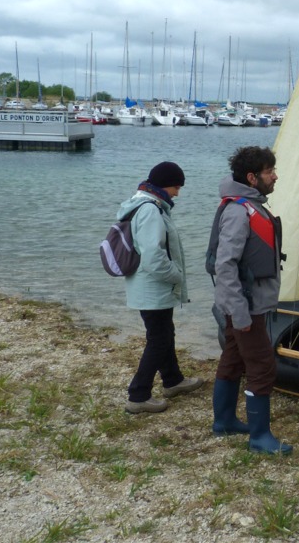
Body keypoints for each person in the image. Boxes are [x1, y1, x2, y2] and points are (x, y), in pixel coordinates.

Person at [210, 145, 292, 454]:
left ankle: (225, 421)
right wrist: (239, 314)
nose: (275, 177)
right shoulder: (238, 212)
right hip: (246, 307)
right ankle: (259, 438)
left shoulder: (250, 206)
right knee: (261, 366)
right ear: (252, 177)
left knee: (232, 359)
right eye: (270, 172)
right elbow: (225, 266)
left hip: (245, 304)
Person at [120, 161, 204, 414]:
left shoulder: (147, 205)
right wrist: (176, 276)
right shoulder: (149, 210)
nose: (178, 192)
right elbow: (153, 256)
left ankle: (173, 380)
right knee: (159, 339)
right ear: (163, 185)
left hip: (151, 287)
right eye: (176, 186)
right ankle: (138, 395)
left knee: (164, 333)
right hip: (153, 287)